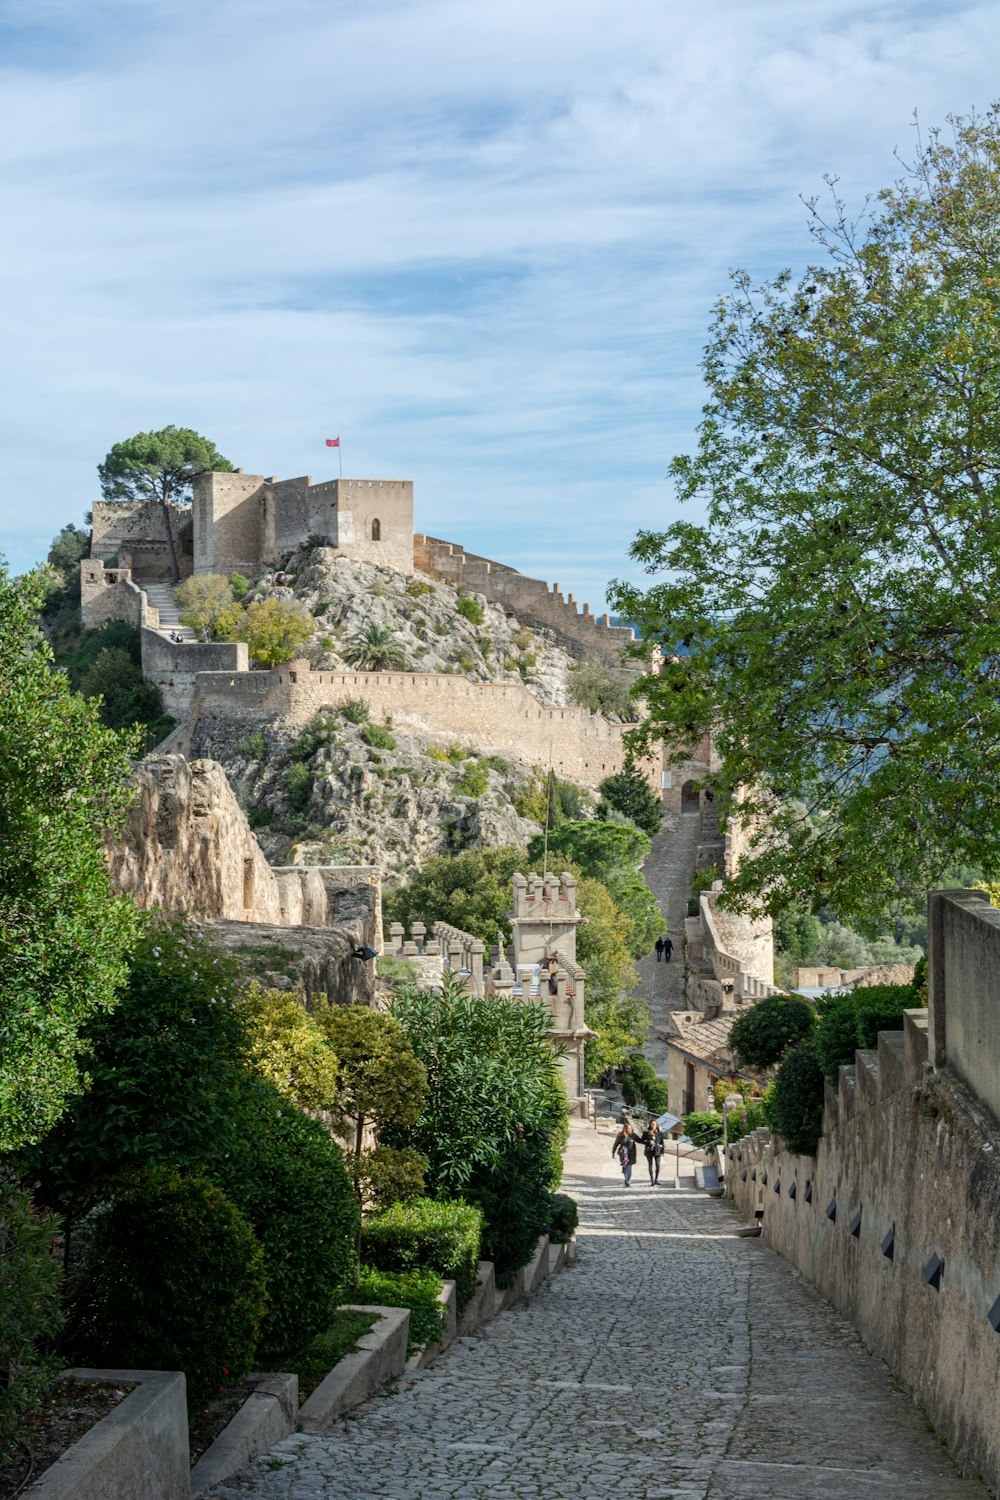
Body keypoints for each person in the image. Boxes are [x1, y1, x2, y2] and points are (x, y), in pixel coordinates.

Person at [611, 1121, 637, 1187]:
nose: (629, 1130)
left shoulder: (633, 1135)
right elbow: (616, 1144)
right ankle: (626, 1177)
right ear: (625, 1128)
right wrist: (613, 1152)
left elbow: (640, 1140)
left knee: (629, 1167)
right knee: (625, 1167)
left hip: (631, 1154)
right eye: (628, 1128)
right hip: (623, 1154)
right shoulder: (620, 1135)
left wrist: (648, 1140)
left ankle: (627, 1181)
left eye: (630, 1128)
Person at [641, 1118, 665, 1184]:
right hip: (649, 1151)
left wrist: (663, 1151)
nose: (653, 1125)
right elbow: (642, 1141)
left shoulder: (660, 1132)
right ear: (650, 1124)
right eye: (652, 1123)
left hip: (657, 1151)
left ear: (656, 1124)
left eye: (654, 1123)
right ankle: (652, 1180)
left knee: (658, 1165)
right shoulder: (646, 1132)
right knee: (650, 1165)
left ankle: (656, 1179)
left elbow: (662, 1142)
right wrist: (648, 1141)